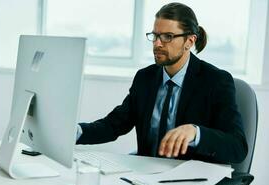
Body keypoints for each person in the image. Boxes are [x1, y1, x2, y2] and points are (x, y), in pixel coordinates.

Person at [77, 2, 248, 164]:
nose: (157, 43)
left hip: (190, 181)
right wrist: (75, 132)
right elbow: (113, 125)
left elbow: (237, 146)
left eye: (168, 37)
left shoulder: (215, 81)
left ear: (189, 41)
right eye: (155, 36)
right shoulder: (145, 78)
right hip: (145, 177)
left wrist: (196, 133)